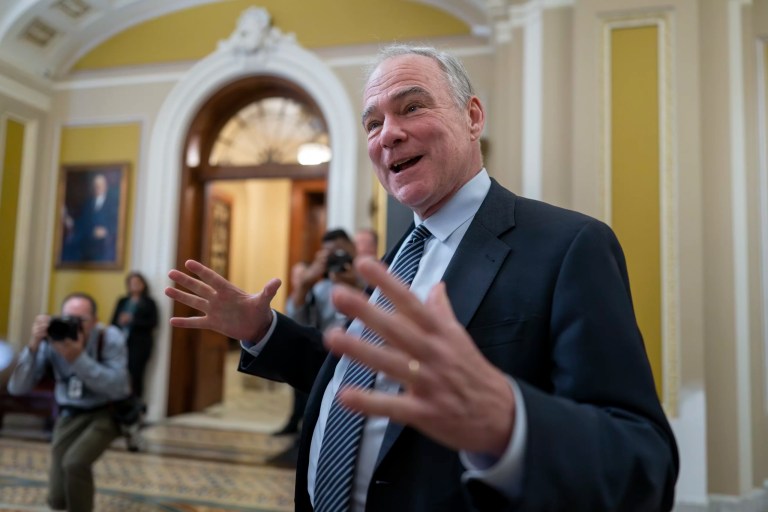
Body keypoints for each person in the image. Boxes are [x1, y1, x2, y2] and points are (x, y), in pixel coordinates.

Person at [165, 44, 679, 511]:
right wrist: (264, 331)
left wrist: (514, 425)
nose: (387, 133)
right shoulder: (396, 261)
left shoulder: (568, 246)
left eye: (412, 107)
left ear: (472, 116)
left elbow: (642, 460)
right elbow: (372, 377)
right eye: (372, 123)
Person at [7, 292, 131, 512]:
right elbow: (17, 387)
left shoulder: (110, 337)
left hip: (106, 412)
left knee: (75, 462)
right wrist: (34, 346)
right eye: (67, 318)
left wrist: (77, 358)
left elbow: (119, 387)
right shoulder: (53, 337)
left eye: (80, 320)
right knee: (57, 497)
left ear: (95, 321)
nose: (73, 325)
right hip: (69, 413)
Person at [268, 230, 363, 468]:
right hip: (327, 358)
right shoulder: (320, 289)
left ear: (353, 248)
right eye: (331, 252)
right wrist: (304, 283)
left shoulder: (373, 278)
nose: (339, 256)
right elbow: (297, 318)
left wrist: (358, 285)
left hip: (362, 362)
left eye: (341, 249)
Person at [110, 271, 158, 402]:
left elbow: (153, 323)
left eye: (137, 283)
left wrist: (132, 320)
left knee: (136, 376)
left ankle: (136, 409)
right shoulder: (122, 301)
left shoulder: (149, 303)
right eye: (132, 283)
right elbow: (113, 322)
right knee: (119, 374)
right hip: (120, 342)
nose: (135, 286)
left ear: (143, 285)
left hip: (139, 344)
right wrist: (121, 321)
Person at [61, 172, 119, 263]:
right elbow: (83, 221)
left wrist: (106, 231)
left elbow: (117, 223)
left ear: (106, 186)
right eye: (96, 185)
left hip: (105, 244)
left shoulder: (113, 203)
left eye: (100, 185)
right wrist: (70, 221)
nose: (98, 187)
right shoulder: (88, 204)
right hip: (88, 242)